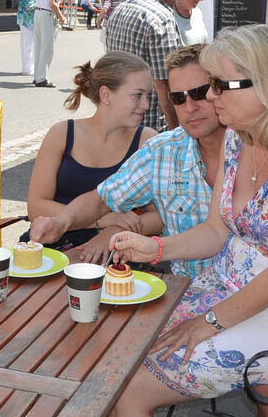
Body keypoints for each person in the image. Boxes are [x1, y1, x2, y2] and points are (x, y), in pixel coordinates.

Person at [101, 24, 268, 417]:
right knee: (113, 358)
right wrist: (154, 248)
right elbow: (217, 231)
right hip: (225, 286)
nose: (211, 95)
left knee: (126, 390)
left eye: (221, 84)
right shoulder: (239, 138)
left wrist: (209, 322)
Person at [29, 44, 225, 279]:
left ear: (219, 90)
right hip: (184, 288)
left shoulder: (255, 146)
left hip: (240, 294)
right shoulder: (162, 151)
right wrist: (60, 224)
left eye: (199, 92)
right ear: (105, 95)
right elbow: (101, 200)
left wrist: (113, 230)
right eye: (178, 98)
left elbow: (164, 221)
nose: (190, 107)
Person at [23, 52, 157, 260]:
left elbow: (160, 216)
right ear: (106, 95)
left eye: (148, 96)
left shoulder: (147, 142)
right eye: (138, 95)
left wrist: (113, 231)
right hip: (51, 246)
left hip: (115, 254)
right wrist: (102, 220)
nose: (146, 105)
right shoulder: (62, 134)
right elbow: (36, 206)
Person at [105, 0, 186, 132]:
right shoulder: (161, 17)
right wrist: (176, 130)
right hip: (149, 125)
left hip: (118, 117)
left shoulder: (121, 9)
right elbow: (164, 83)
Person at [32, 0, 74, 88]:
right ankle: (41, 78)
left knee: (39, 46)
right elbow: (52, 3)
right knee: (47, 48)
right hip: (47, 14)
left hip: (38, 13)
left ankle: (37, 76)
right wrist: (61, 17)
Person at [16, 0, 44, 76]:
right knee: (27, 45)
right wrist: (43, 4)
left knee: (32, 44)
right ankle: (27, 68)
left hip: (32, 19)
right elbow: (29, 5)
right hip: (27, 20)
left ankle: (31, 67)